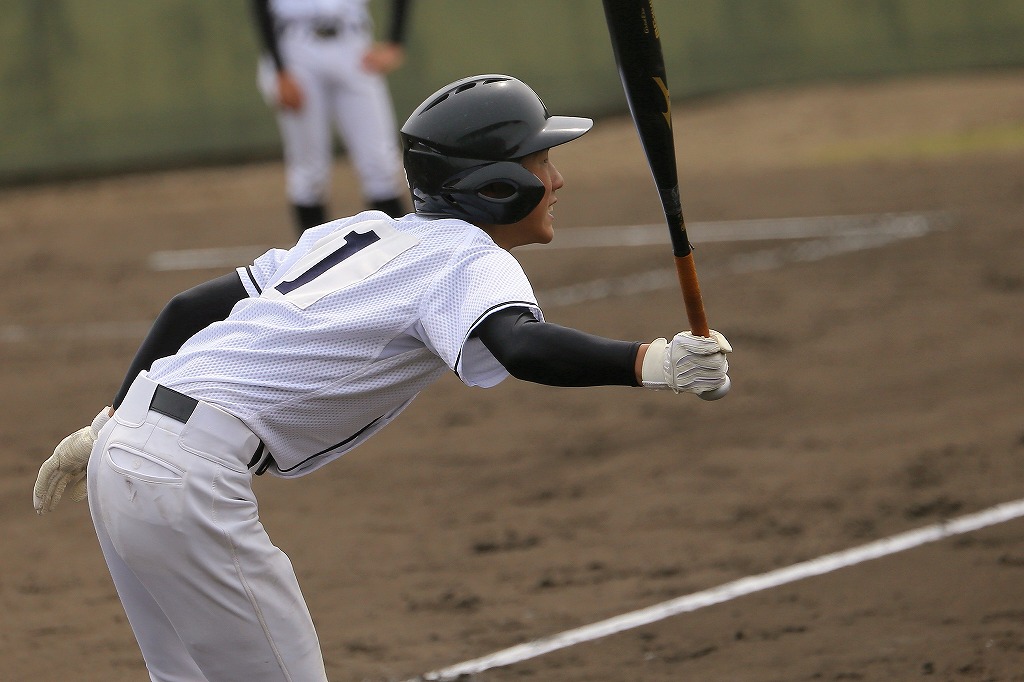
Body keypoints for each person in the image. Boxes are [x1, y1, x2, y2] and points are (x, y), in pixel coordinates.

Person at [32, 74, 732, 681]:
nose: (557, 180)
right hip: (188, 479)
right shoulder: (466, 256)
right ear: (497, 185)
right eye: (540, 161)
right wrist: (653, 363)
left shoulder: (358, 232)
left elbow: (187, 309)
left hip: (124, 448)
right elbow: (521, 347)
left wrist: (107, 423)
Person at [252, 0, 413, 235]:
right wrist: (279, 70)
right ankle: (311, 263)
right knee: (309, 170)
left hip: (353, 45)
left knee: (381, 163)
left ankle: (401, 254)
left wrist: (395, 41)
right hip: (295, 48)